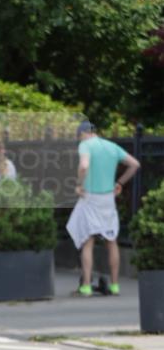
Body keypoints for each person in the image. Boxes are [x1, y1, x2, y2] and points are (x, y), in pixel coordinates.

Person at [65, 120, 140, 296]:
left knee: (88, 241)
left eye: (79, 136)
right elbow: (135, 164)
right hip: (108, 198)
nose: (79, 140)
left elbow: (84, 166)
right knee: (111, 240)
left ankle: (86, 286)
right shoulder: (111, 146)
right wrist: (119, 183)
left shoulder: (85, 145)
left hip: (90, 197)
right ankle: (115, 285)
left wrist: (79, 185)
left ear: (83, 133)